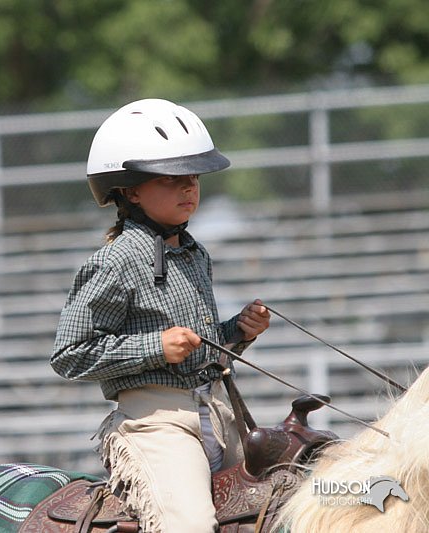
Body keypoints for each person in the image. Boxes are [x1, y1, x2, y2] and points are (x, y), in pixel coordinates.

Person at [50, 98, 271, 532]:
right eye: (172, 179)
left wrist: (239, 332)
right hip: (156, 424)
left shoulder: (195, 253)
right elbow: (69, 353)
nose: (189, 188)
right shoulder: (114, 261)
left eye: (193, 177)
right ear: (130, 190)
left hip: (220, 415)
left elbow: (198, 347)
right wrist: (156, 347)